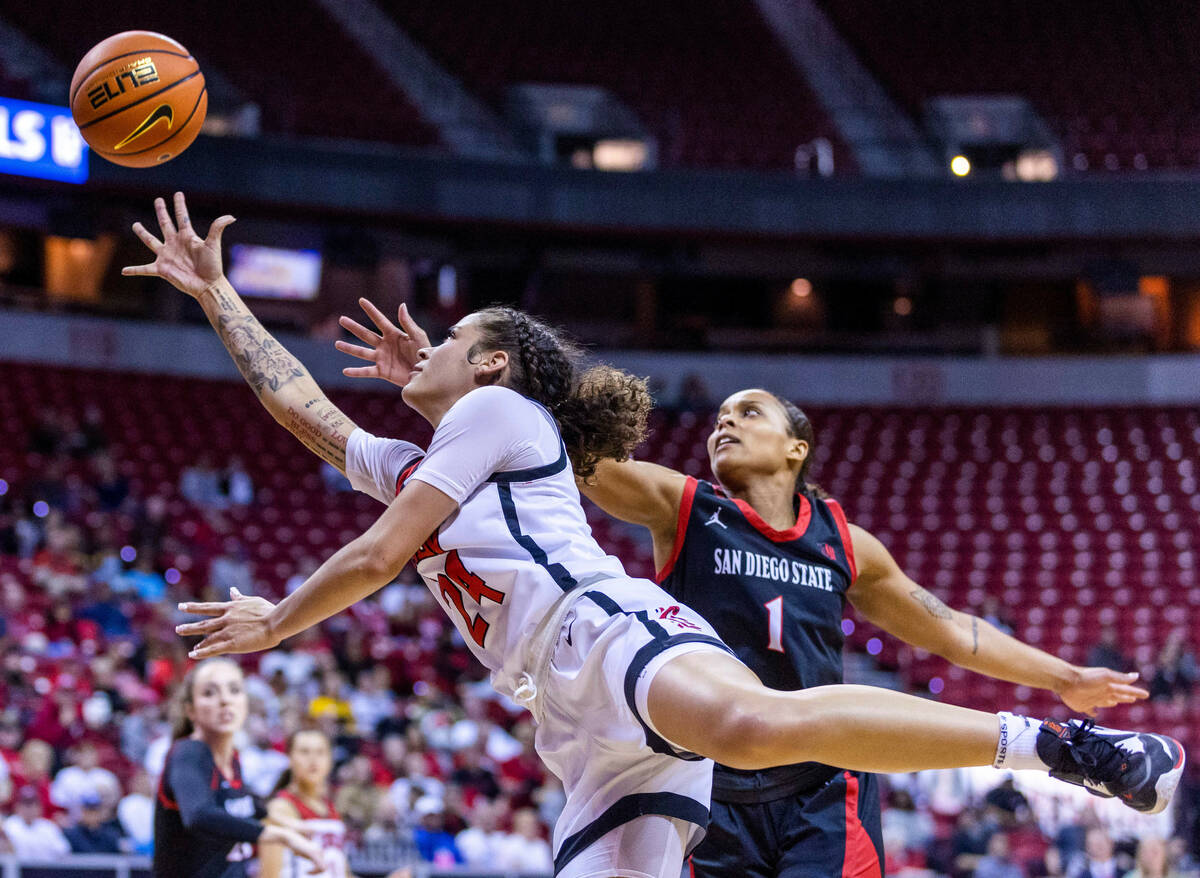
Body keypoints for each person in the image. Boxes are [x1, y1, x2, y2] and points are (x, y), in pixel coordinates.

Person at [130, 193, 1184, 878]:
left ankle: (1059, 747)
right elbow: (305, 410)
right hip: (573, 722)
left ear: (492, 368)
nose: (423, 348)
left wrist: (276, 621)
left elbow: (375, 556)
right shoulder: (425, 455)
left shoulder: (504, 416)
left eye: (449, 339)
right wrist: (218, 294)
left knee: (756, 724)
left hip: (608, 630)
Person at [340, 301, 1156, 878]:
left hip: (817, 789)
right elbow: (544, 449)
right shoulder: (683, 505)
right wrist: (451, 385)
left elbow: (952, 632)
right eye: (719, 415)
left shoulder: (844, 541)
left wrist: (1063, 676)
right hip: (712, 783)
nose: (723, 422)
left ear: (796, 447)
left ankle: (1053, 739)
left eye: (749, 412)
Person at [152, 657, 320, 878]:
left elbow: (245, 805)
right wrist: (282, 836)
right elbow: (199, 815)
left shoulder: (232, 758)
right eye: (210, 693)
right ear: (191, 710)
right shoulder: (189, 752)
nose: (224, 700)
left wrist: (288, 823)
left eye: (234, 690)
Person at [259, 728, 407, 878]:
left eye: (320, 752)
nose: (313, 760)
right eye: (304, 751)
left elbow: (340, 872)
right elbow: (269, 874)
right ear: (290, 758)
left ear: (330, 760)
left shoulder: (331, 808)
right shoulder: (281, 807)